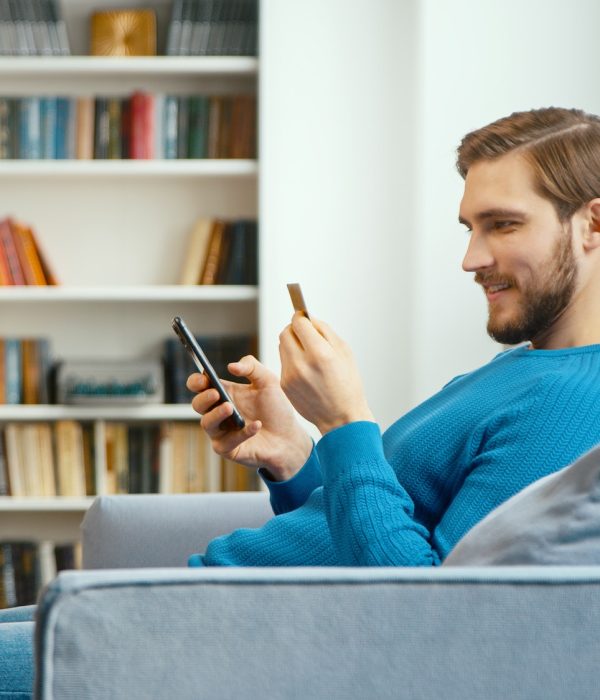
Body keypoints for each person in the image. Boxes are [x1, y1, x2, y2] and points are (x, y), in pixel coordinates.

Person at [4, 105, 600, 695]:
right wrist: (295, 459)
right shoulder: (528, 368)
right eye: (469, 227)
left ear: (591, 224)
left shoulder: (572, 401)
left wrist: (347, 420)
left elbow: (428, 614)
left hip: (209, 635)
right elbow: (359, 541)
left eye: (503, 224)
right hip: (199, 605)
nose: (471, 258)